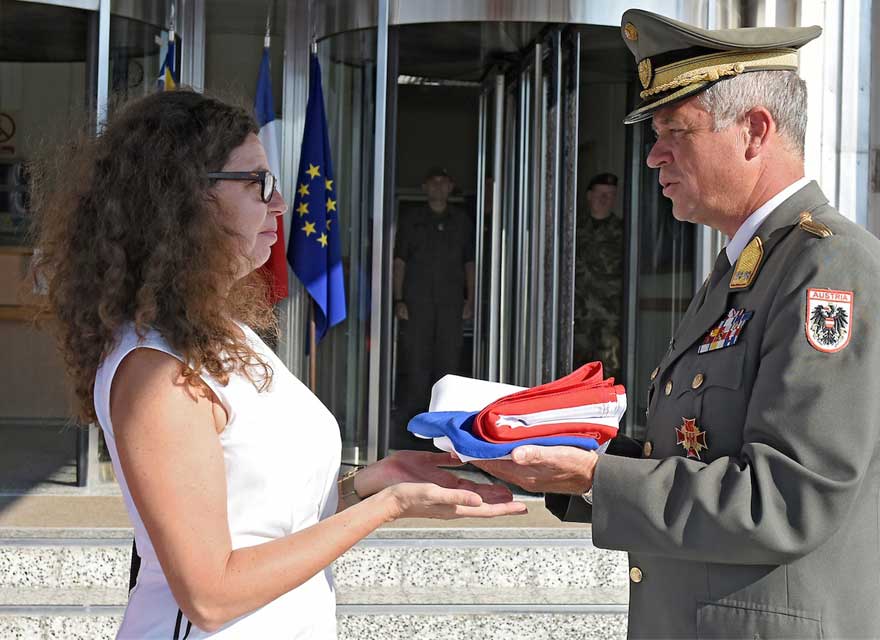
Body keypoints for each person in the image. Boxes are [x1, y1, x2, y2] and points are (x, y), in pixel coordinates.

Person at [475, 9, 880, 639]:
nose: (653, 156)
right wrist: (571, 457)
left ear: (755, 131)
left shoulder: (828, 269)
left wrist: (600, 478)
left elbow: (788, 499)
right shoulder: (748, 269)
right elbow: (694, 453)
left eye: (675, 131)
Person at [33, 90, 525, 638]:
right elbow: (210, 594)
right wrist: (387, 506)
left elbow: (265, 523)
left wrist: (364, 487)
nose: (280, 204)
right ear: (185, 198)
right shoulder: (158, 369)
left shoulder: (228, 334)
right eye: (258, 182)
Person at [392, 167, 476, 447]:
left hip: (450, 304)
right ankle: (413, 430)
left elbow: (470, 263)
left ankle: (443, 430)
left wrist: (470, 298)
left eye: (444, 182)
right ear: (425, 187)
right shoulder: (412, 219)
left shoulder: (462, 221)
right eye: (433, 182)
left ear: (451, 187)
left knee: (448, 366)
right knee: (416, 363)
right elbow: (399, 261)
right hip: (417, 304)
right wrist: (398, 299)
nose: (439, 187)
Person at [574, 172, 624, 380]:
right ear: (589, 196)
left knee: (608, 374)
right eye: (600, 194)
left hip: (609, 318)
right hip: (577, 317)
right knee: (574, 373)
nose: (605, 200)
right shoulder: (572, 230)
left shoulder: (624, 232)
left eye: (610, 195)